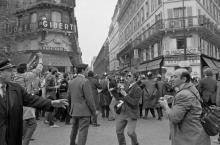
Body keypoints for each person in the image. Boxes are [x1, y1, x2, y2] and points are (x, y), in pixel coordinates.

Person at [0, 59, 69, 145]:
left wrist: (51, 103)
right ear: (0, 73)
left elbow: (31, 99)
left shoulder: (16, 88)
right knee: (31, 123)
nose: (13, 73)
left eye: (13, 70)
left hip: (11, 136)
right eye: (9, 71)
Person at [159, 68, 211, 145]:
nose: (171, 79)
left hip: (190, 138)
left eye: (175, 77)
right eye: (172, 76)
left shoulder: (183, 94)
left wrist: (165, 105)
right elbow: (190, 103)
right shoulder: (191, 88)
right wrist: (174, 99)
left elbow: (174, 118)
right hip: (196, 135)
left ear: (183, 79)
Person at [13, 52, 43, 145]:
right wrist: (40, 58)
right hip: (25, 102)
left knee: (23, 122)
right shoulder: (27, 76)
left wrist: (33, 60)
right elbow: (38, 70)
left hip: (16, 101)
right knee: (32, 124)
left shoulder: (14, 75)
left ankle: (22, 138)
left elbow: (25, 68)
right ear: (25, 70)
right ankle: (25, 141)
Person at [68, 63, 98, 145]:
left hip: (74, 110)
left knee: (74, 130)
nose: (87, 72)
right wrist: (94, 111)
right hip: (84, 111)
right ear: (82, 70)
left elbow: (69, 97)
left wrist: (70, 109)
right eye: (87, 70)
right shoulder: (85, 81)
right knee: (82, 133)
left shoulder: (71, 82)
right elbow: (89, 99)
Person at [116, 72, 142, 145]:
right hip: (123, 111)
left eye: (129, 76)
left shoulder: (138, 88)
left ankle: (135, 143)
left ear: (135, 78)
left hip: (132, 112)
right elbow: (120, 97)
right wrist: (119, 90)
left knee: (130, 133)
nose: (127, 77)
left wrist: (125, 94)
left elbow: (134, 103)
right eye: (127, 75)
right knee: (118, 131)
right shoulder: (126, 85)